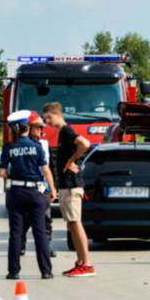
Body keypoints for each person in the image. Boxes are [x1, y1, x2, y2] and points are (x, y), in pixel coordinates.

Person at [0, 110, 57, 280]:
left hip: (16, 193)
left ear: (15, 129)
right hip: (35, 193)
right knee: (40, 233)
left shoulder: (9, 148)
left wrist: (13, 171)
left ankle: (13, 271)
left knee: (16, 233)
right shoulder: (37, 147)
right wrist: (52, 190)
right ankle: (46, 271)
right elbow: (46, 171)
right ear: (28, 128)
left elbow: (2, 172)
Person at [42, 101, 95, 278]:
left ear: (56, 114)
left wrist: (72, 160)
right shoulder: (62, 133)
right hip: (66, 185)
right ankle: (80, 262)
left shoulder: (66, 130)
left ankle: (86, 263)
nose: (47, 122)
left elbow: (85, 143)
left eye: (48, 118)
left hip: (72, 185)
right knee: (71, 224)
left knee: (75, 223)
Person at [20, 112, 56, 258]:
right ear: (29, 128)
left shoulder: (44, 144)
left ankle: (47, 246)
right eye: (38, 127)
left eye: (42, 128)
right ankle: (21, 244)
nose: (42, 131)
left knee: (46, 216)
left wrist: (51, 188)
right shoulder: (21, 144)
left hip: (40, 184)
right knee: (24, 218)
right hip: (24, 185)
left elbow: (48, 167)